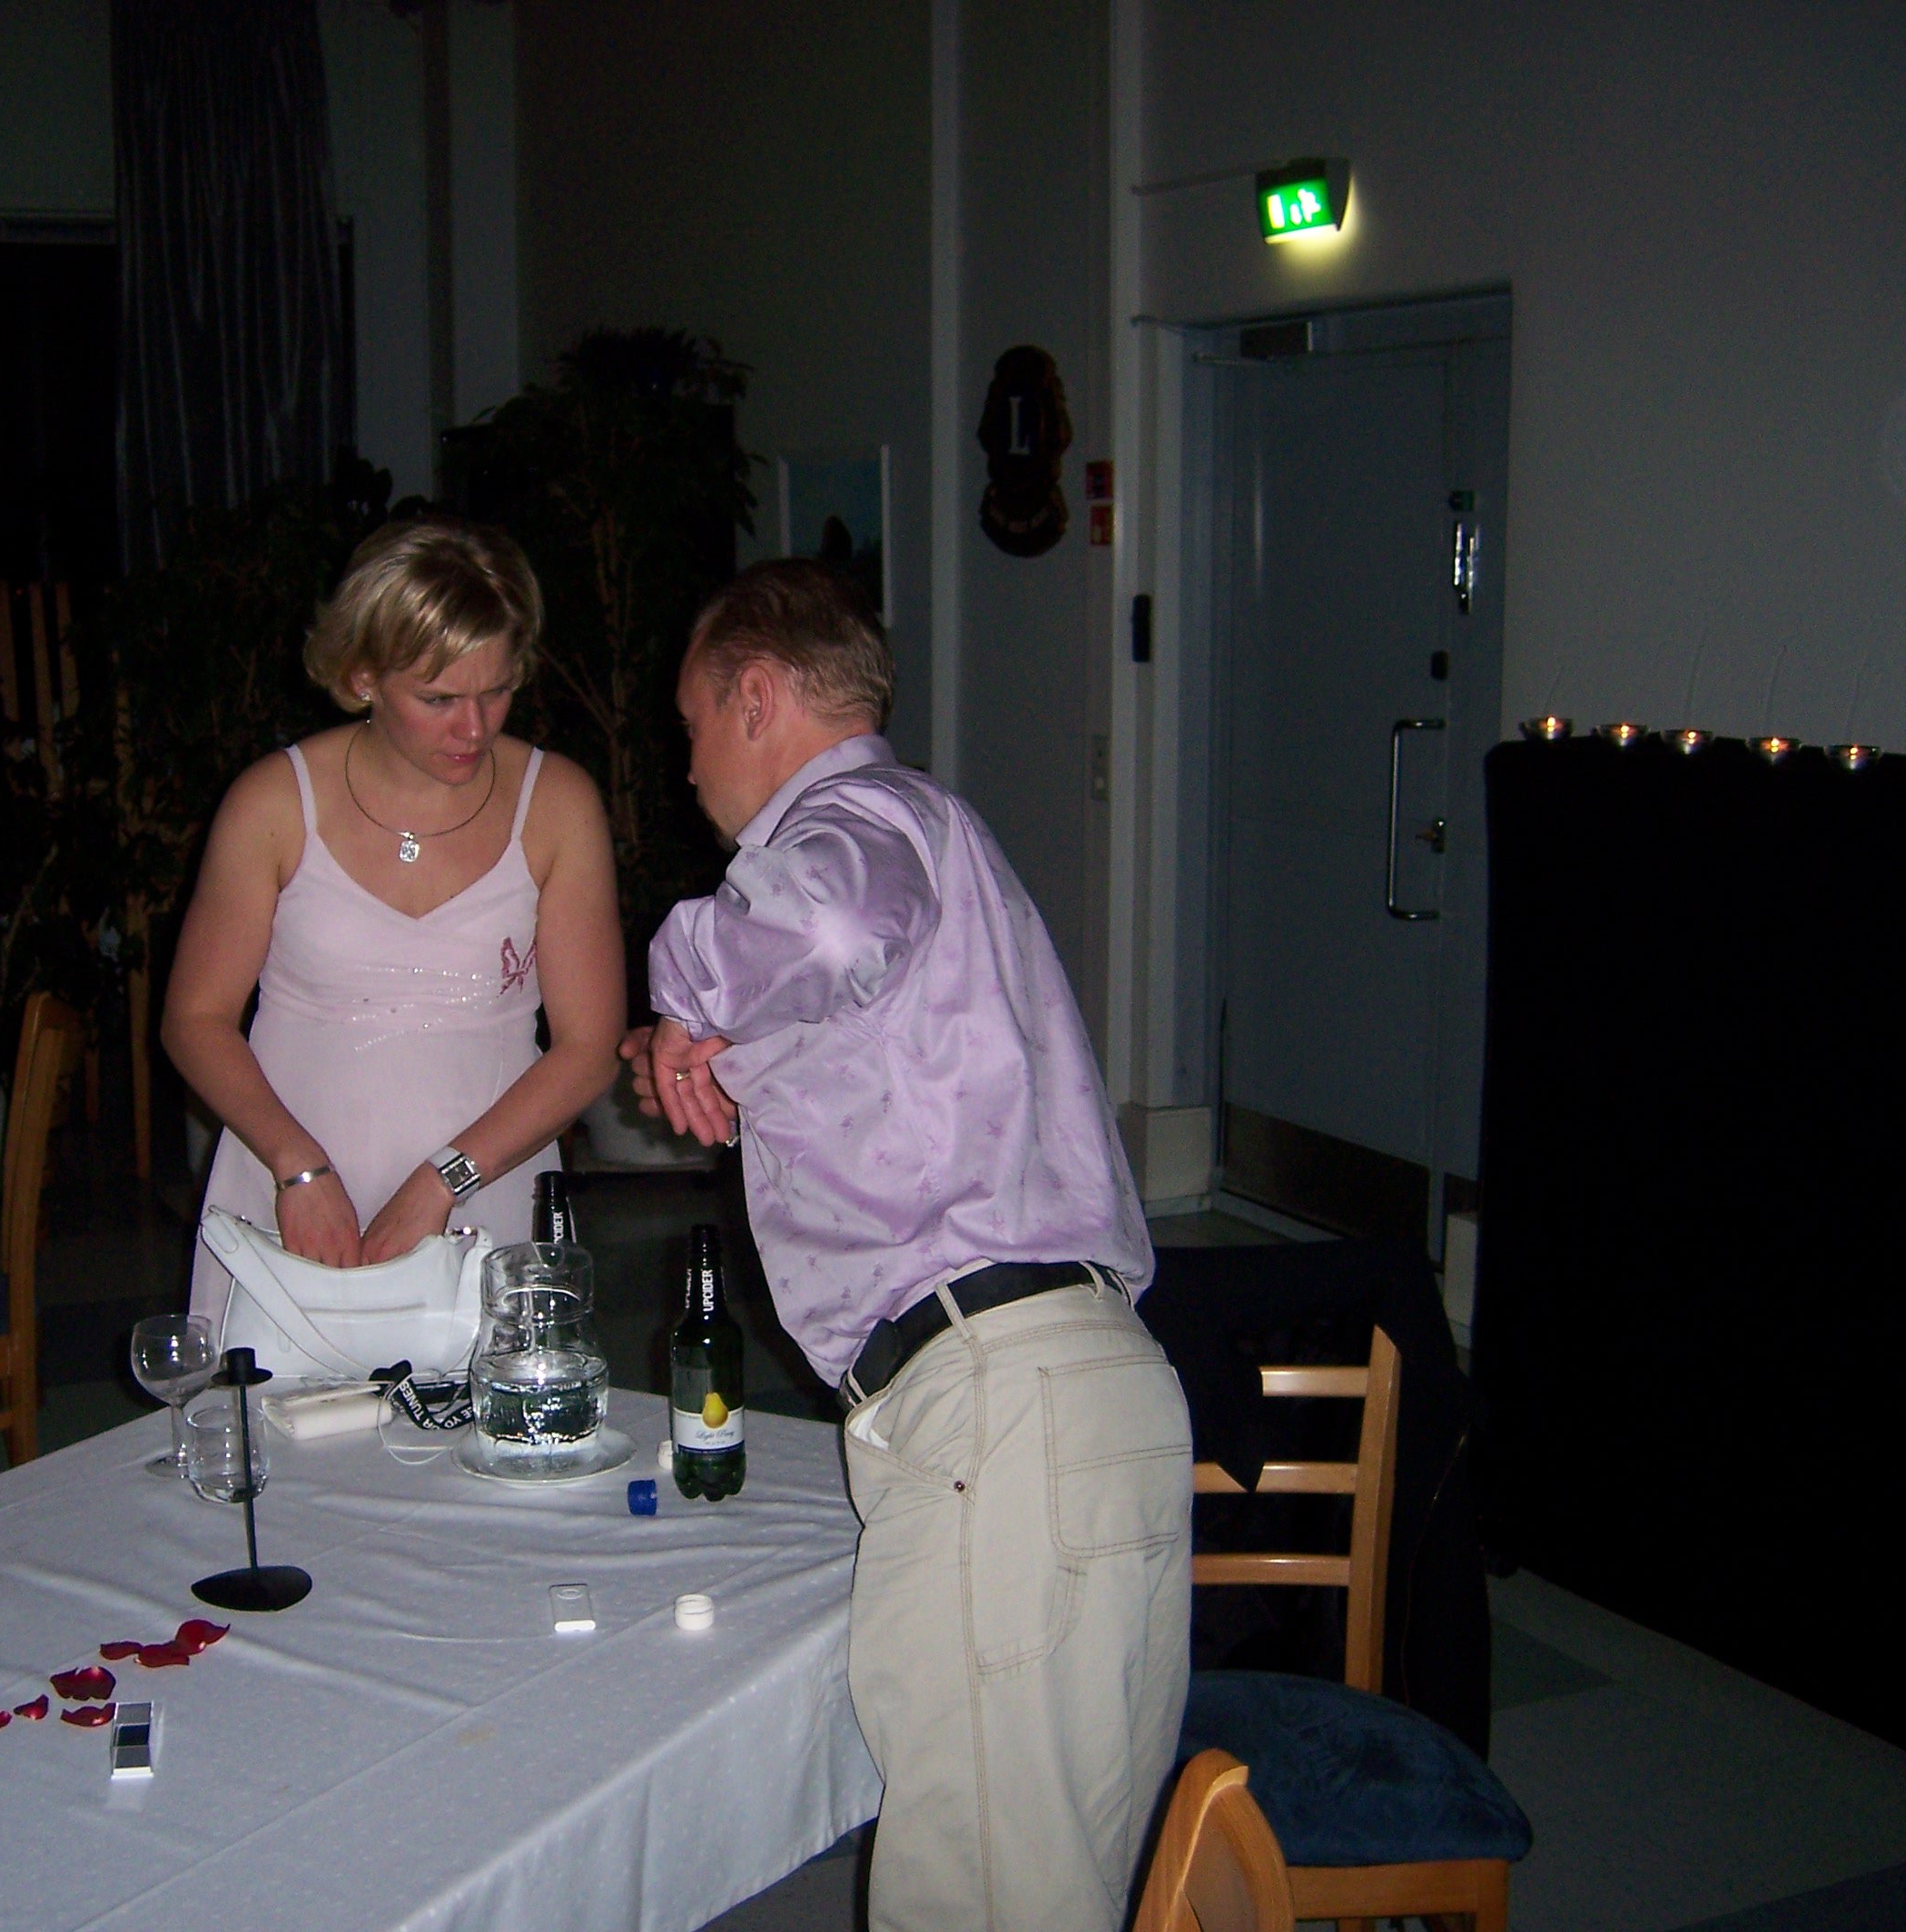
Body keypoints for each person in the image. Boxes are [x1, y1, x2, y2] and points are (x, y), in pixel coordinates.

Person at [624, 560, 1191, 1932]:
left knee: (983, 1894)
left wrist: (681, 992)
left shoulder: (860, 823)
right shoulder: (933, 842)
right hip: (1059, 1394)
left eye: (693, 724)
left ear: (757, 697)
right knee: (1040, 1886)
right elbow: (837, 1008)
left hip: (1000, 1409)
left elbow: (821, 927)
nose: (686, 766)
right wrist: (692, 1046)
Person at [166, 519, 624, 1325]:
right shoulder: (273, 802)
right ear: (363, 677)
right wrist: (296, 1166)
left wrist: (446, 1179)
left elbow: (588, 1048)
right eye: (439, 699)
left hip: (485, 1192)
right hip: (290, 1190)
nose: (475, 729)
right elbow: (195, 1019)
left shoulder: (557, 803)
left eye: (496, 690)